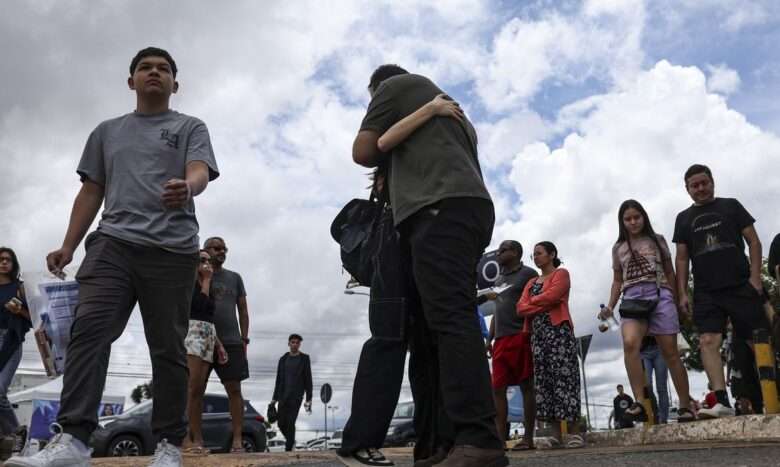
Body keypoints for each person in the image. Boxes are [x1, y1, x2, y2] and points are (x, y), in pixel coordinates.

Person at [6, 47, 219, 467]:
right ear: (131, 81)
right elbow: (91, 190)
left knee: (168, 348)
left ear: (175, 84)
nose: (153, 73)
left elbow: (199, 169)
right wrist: (68, 244)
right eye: (145, 68)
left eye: (163, 69)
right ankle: (75, 440)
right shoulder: (107, 131)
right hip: (112, 245)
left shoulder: (190, 126)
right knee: (90, 331)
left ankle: (169, 445)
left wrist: (189, 187)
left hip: (172, 250)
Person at [353, 64, 506, 467]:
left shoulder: (394, 87)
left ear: (377, 90)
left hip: (438, 210)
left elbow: (363, 151)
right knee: (428, 331)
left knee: (450, 320)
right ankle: (438, 444)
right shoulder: (455, 116)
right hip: (457, 211)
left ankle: (479, 440)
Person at [338, 87, 465, 467]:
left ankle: (432, 446)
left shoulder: (426, 145)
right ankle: (358, 444)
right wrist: (430, 108)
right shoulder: (398, 138)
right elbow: (375, 144)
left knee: (428, 347)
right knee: (388, 340)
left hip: (419, 247)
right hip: (392, 247)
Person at [673, 164, 767, 419]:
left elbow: (754, 241)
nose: (700, 189)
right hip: (706, 292)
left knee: (755, 341)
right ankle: (722, 402)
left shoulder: (731, 206)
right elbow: (681, 259)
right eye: (695, 185)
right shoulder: (683, 219)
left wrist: (755, 277)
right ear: (687, 189)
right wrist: (682, 293)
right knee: (707, 342)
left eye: (704, 183)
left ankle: (772, 394)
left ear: (712, 182)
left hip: (740, 285)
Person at [600, 199, 694, 424]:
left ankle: (684, 405)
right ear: (622, 222)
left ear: (644, 217)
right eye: (628, 219)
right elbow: (617, 280)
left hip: (659, 294)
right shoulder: (618, 248)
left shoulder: (657, 240)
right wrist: (610, 306)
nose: (633, 222)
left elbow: (670, 271)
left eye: (636, 217)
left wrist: (679, 296)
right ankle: (641, 401)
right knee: (630, 343)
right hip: (632, 298)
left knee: (670, 352)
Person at [517, 242, 583, 449]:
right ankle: (555, 434)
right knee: (545, 383)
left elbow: (555, 296)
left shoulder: (561, 274)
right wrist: (540, 304)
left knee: (566, 378)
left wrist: (532, 303)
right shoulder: (531, 281)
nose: (535, 257)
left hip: (559, 333)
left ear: (551, 254)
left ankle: (574, 433)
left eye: (539, 253)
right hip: (538, 336)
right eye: (533, 255)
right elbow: (520, 308)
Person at [484, 241, 538, 450]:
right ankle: (499, 439)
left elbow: (536, 303)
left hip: (521, 335)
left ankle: (528, 438)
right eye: (498, 250)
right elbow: (497, 312)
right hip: (500, 340)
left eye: (503, 250)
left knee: (526, 386)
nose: (498, 253)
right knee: (497, 388)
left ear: (516, 253)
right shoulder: (498, 279)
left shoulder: (528, 274)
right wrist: (489, 339)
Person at [203, 236, 250, 453]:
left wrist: (244, 338)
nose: (222, 251)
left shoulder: (235, 278)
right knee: (194, 390)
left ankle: (238, 440)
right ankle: (193, 440)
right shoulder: (196, 274)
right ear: (205, 250)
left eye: (224, 248)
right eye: (217, 248)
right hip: (201, 339)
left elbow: (242, 309)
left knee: (234, 390)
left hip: (231, 341)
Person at [182, 250, 227, 454]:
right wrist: (206, 280)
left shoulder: (206, 285)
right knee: (191, 388)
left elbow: (209, 316)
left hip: (208, 335)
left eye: (208, 261)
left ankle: (197, 438)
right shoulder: (189, 283)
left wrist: (219, 344)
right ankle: (185, 439)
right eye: (202, 260)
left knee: (199, 390)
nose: (207, 264)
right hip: (192, 333)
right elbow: (197, 306)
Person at [0, 248, 31, 449]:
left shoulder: (20, 288)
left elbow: (35, 318)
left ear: (13, 264)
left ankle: (16, 430)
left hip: (10, 341)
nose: (3, 262)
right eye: (0, 259)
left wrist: (19, 310)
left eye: (7, 259)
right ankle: (6, 439)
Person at [271, 334, 313, 452]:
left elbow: (308, 378)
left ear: (299, 345)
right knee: (280, 423)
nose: (295, 344)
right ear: (288, 343)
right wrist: (274, 398)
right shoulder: (283, 359)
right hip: (283, 396)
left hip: (296, 396)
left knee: (290, 422)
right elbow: (278, 379)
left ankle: (288, 447)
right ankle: (291, 440)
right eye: (293, 342)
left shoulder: (304, 359)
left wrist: (308, 398)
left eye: (297, 343)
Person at [639, 337, 670, 423]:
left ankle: (663, 418)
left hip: (659, 348)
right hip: (643, 351)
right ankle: (655, 412)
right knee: (647, 384)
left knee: (661, 387)